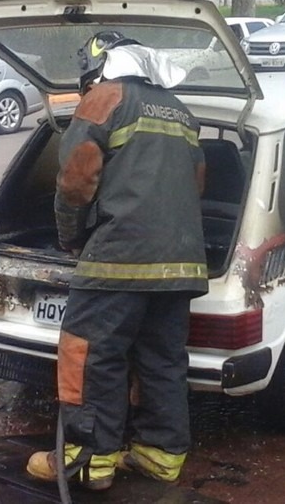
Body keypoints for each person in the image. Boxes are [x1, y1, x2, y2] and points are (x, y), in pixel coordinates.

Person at [25, 31, 207, 490]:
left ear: (96, 68)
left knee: (89, 356)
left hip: (117, 260)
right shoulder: (179, 110)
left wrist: (71, 237)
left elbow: (77, 178)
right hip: (181, 264)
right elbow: (197, 182)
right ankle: (160, 455)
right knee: (162, 359)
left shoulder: (104, 98)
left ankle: (85, 460)